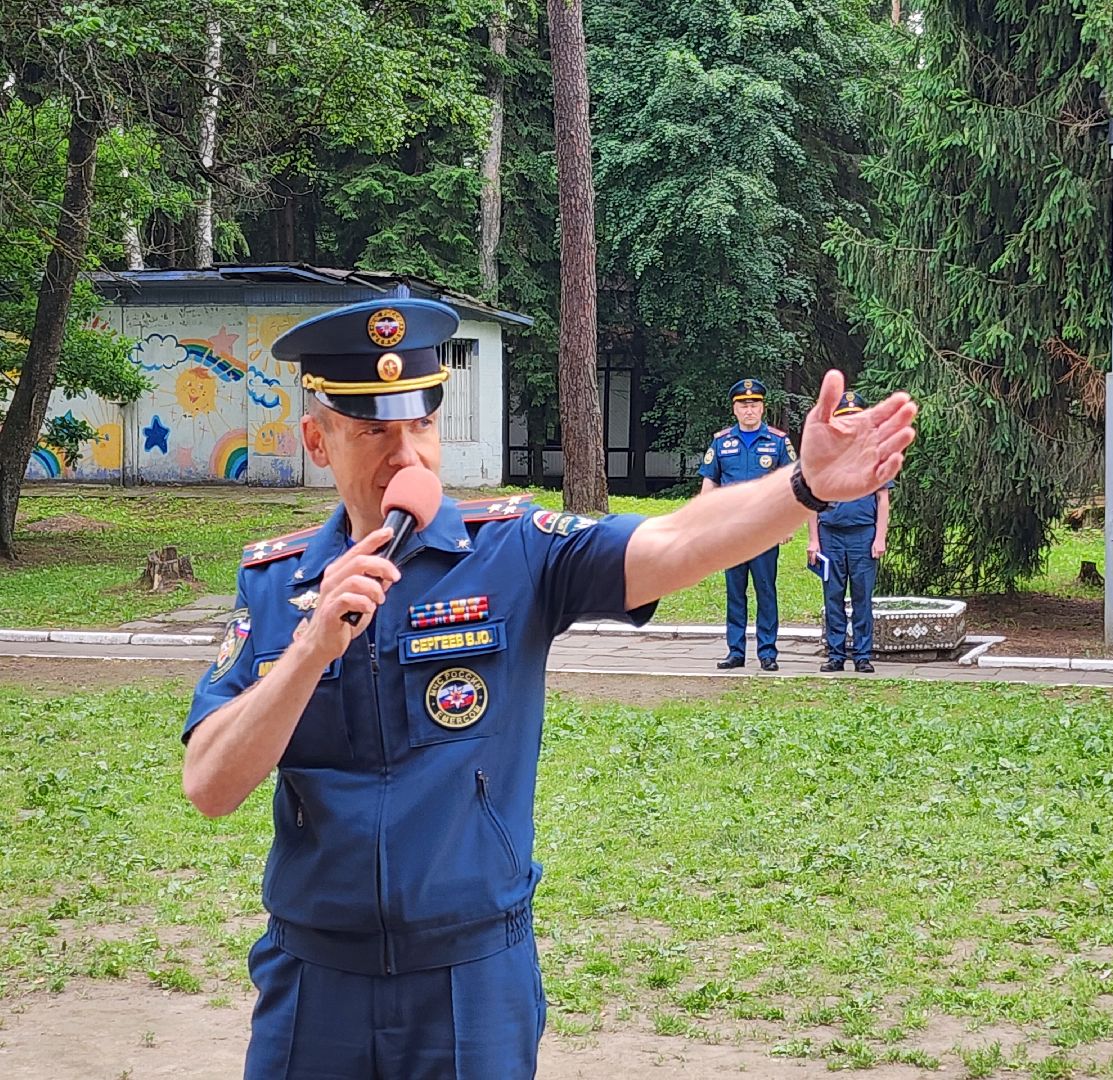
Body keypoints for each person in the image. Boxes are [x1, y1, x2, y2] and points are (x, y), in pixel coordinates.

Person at [180, 297, 917, 1080]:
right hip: (315, 984)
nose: (406, 456)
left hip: (470, 977)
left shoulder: (512, 553)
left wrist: (803, 488)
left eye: (421, 425)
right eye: (373, 432)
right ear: (317, 441)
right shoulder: (276, 583)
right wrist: (310, 647)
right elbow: (210, 783)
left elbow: (672, 540)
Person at [697, 377, 796, 671]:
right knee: (735, 591)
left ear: (763, 408)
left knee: (766, 591)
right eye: (743, 405)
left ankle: (767, 652)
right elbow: (709, 482)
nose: (749, 410)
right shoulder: (721, 441)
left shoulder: (778, 441)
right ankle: (735, 651)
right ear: (735, 409)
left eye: (754, 405)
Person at [806, 390, 891, 673]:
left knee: (862, 598)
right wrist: (814, 540)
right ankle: (835, 654)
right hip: (830, 536)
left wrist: (880, 537)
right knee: (833, 596)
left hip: (863, 536)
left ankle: (863, 656)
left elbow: (882, 499)